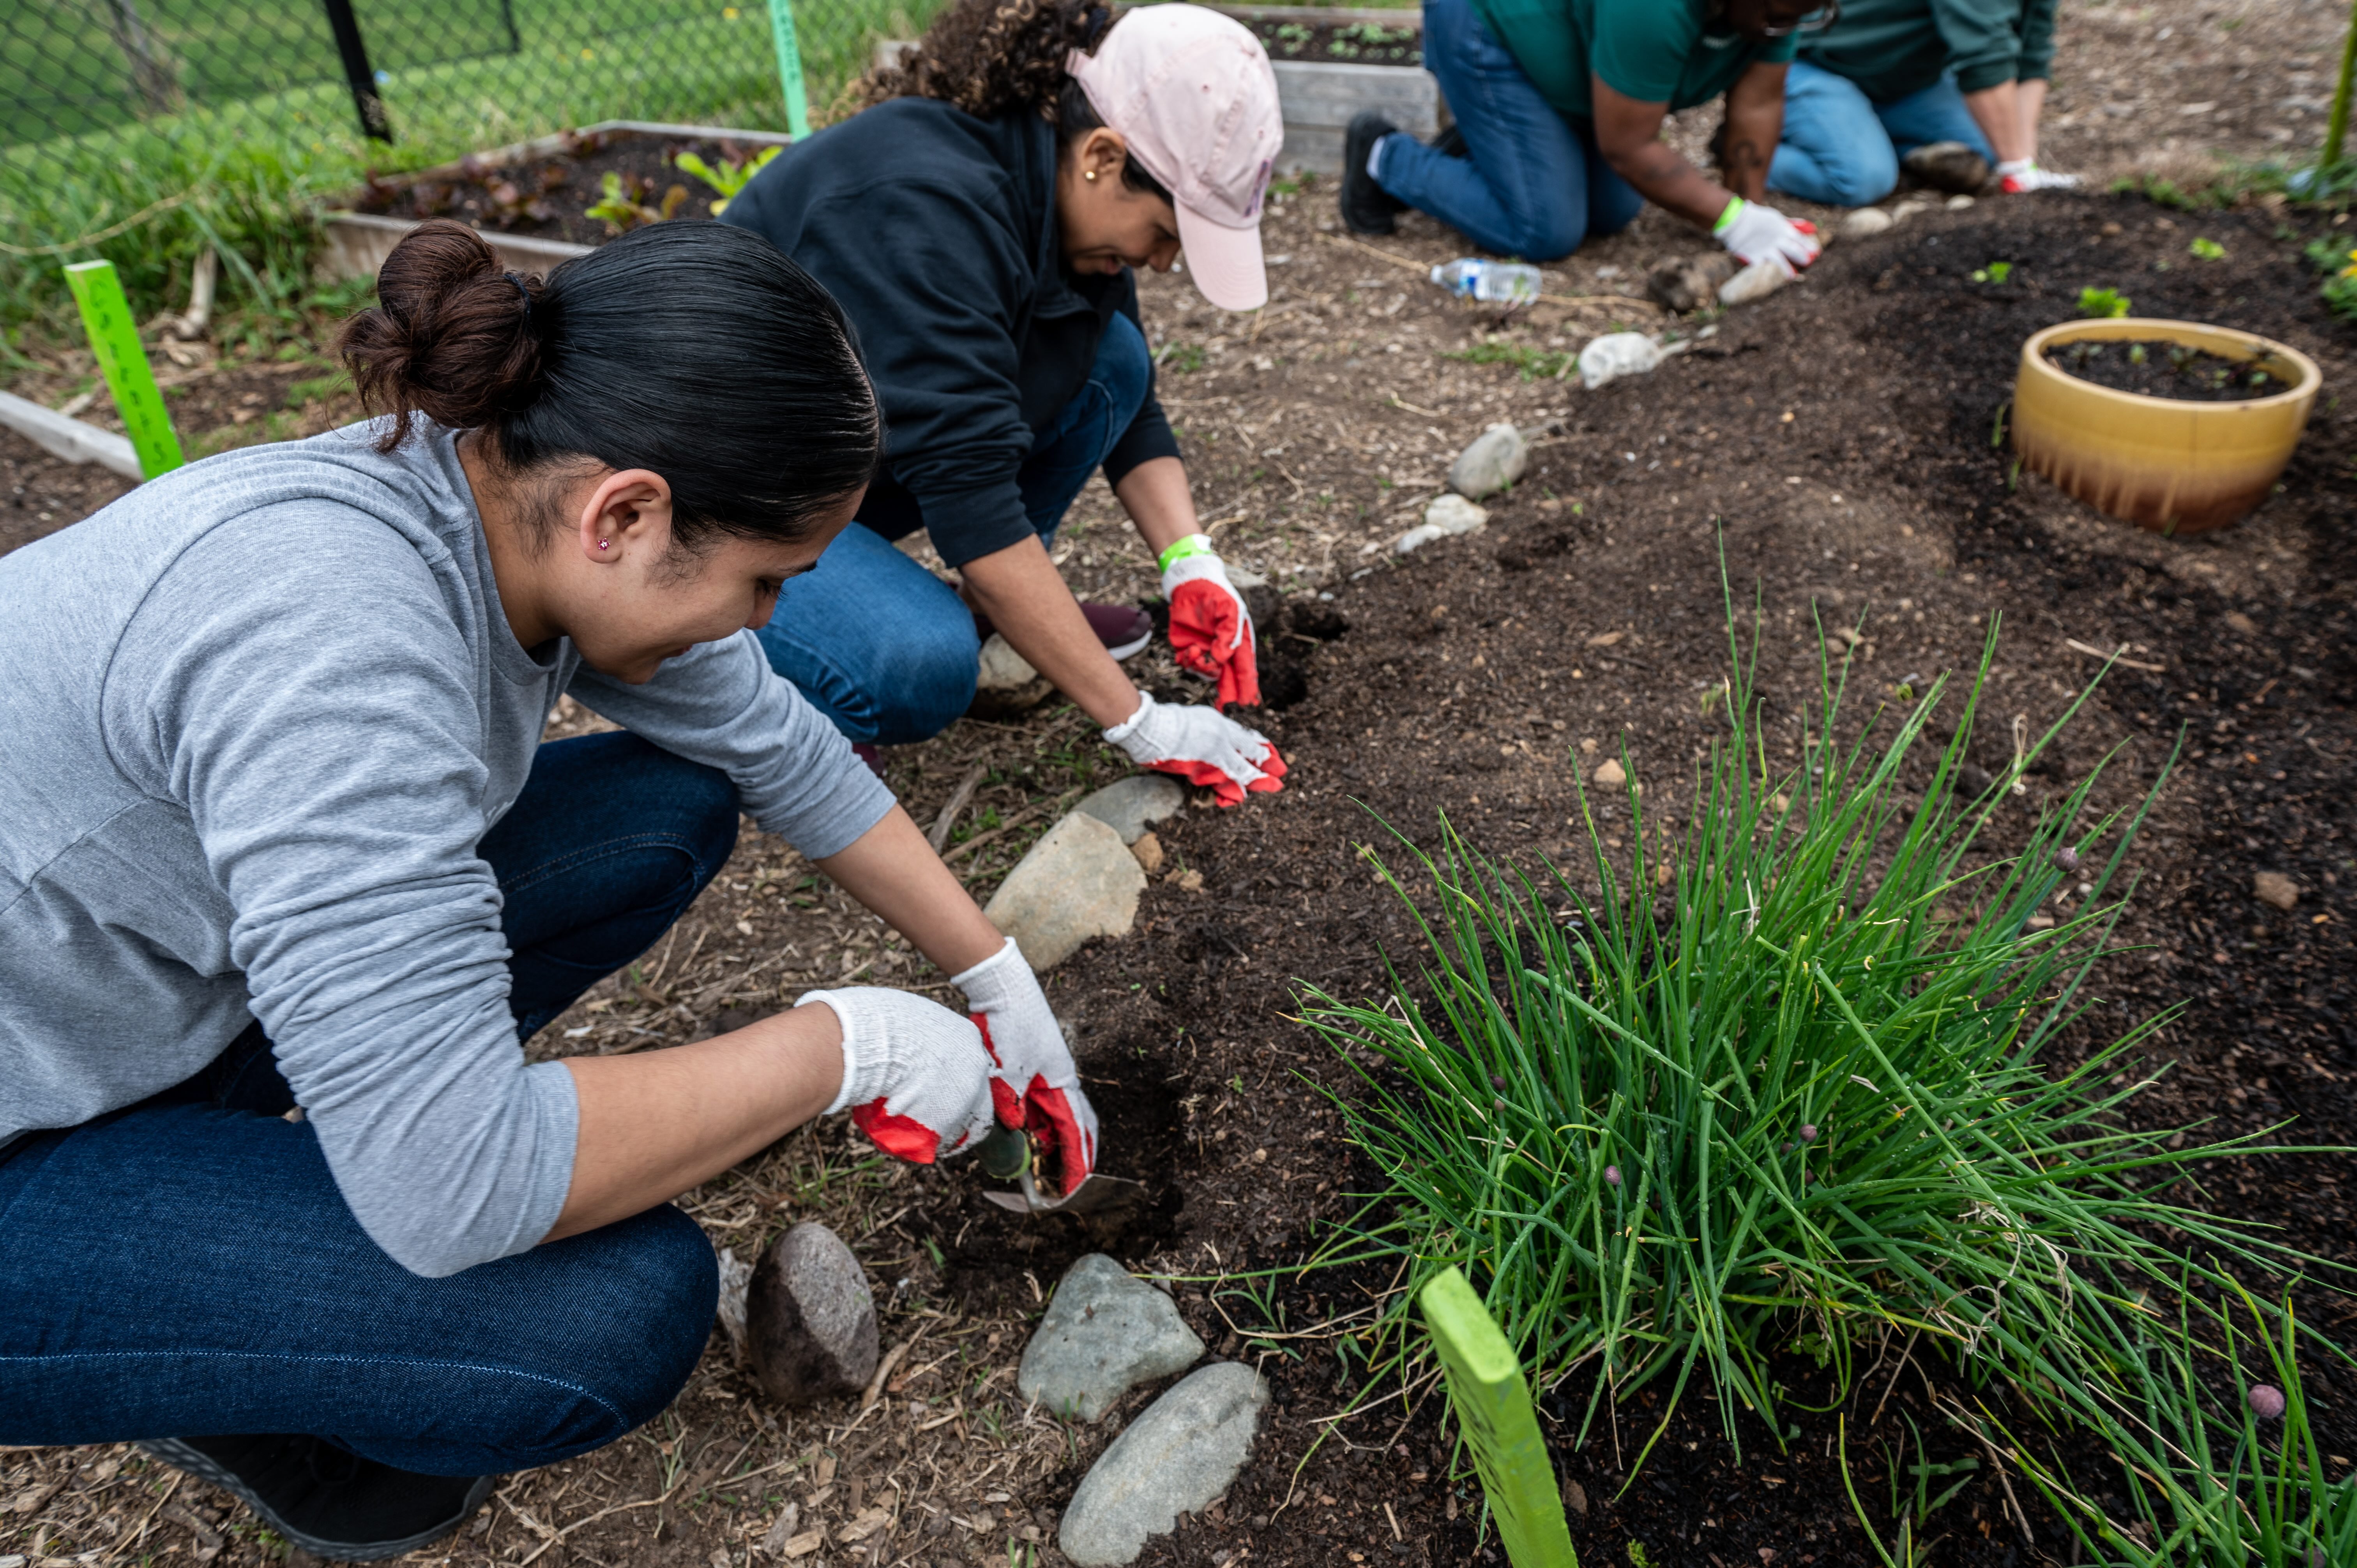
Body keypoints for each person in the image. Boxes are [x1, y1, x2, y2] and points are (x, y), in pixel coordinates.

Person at [0, 219, 1097, 1561]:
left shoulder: (498, 495)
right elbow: (455, 1181)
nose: (761, 621)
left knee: (666, 803)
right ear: (625, 511)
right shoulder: (330, 637)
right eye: (764, 581)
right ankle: (196, 1336)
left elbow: (781, 749)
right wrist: (846, 1047)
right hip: (24, 1121)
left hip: (107, 994)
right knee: (610, 1313)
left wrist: (992, 975)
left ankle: (242, 1197)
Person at [721, 0, 1288, 807]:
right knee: (916, 663)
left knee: (1112, 361)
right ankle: (795, 686)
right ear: (1102, 155)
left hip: (839, 463)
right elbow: (974, 503)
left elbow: (1133, 405)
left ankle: (1012, 610)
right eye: (1168, 232)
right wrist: (1140, 723)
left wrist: (1191, 561)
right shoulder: (926, 206)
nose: (1163, 263)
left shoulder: (1055, 194)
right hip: (717, 502)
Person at [1339, 0, 1829, 275]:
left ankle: (1492, 137)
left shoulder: (1778, 7)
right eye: (1780, 15)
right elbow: (1628, 147)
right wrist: (1732, 221)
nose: (1789, 27)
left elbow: (1759, 104)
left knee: (1613, 212)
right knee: (1544, 230)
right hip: (1489, 26)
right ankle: (1385, 157)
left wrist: (1754, 217)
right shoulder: (1655, 10)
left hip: (1569, 54)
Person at [1767, 0, 2070, 206]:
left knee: (1990, 147)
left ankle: (1865, 135)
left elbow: (2031, 57)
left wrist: (2022, 165)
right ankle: (1756, 147)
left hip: (1902, 79)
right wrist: (2016, 169)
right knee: (1861, 181)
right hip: (1811, 62)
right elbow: (1983, 55)